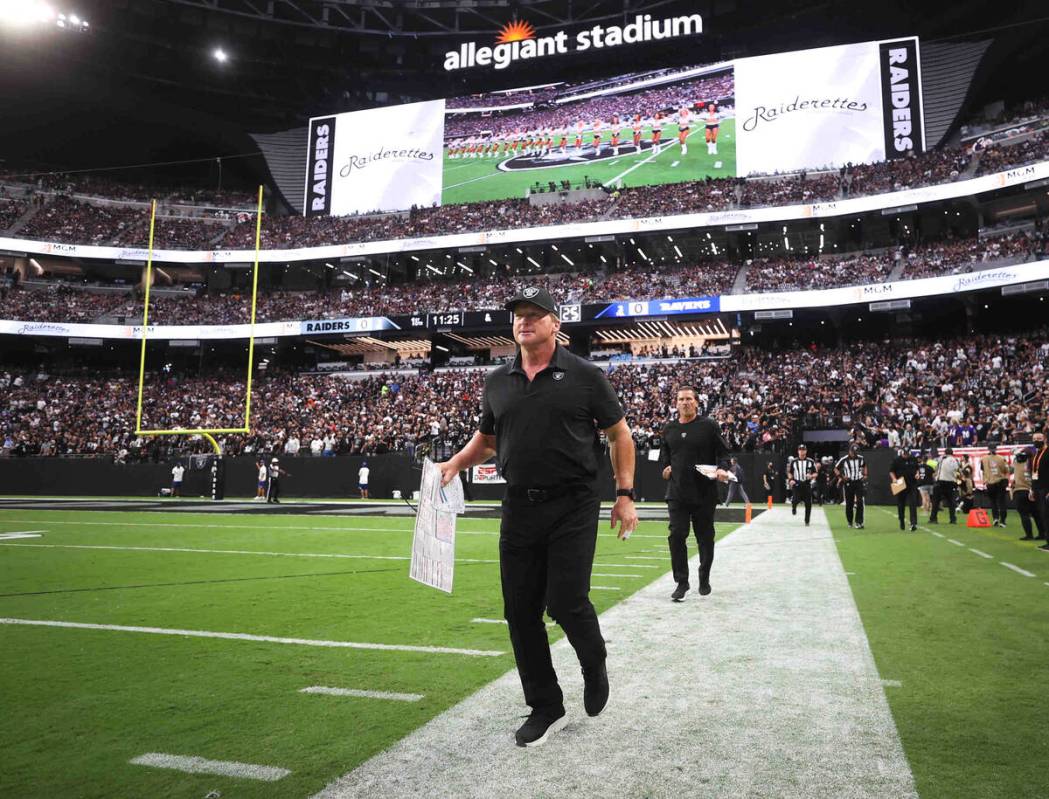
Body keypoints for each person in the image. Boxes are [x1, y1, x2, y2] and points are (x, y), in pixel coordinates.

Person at [436, 287, 638, 748]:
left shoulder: (586, 376)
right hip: (519, 506)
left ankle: (594, 660)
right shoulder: (497, 381)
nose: (524, 321)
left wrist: (624, 494)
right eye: (518, 316)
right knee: (520, 611)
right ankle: (545, 704)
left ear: (555, 324)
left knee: (566, 602)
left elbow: (618, 435)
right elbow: (487, 440)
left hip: (574, 502)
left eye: (534, 314)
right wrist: (454, 464)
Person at [659, 385, 731, 601]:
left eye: (689, 398)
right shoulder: (669, 429)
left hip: (704, 492)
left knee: (705, 537)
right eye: (681, 399)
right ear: (676, 403)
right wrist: (665, 469)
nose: (685, 402)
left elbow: (724, 453)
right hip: (677, 492)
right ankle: (681, 581)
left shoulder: (709, 425)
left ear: (696, 402)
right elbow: (665, 459)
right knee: (676, 535)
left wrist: (722, 468)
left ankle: (704, 575)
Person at [1012, 446, 1045, 541]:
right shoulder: (1035, 463)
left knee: (1024, 514)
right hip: (1033, 490)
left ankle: (1029, 534)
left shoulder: (1017, 462)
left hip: (1020, 490)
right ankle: (1042, 534)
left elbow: (1014, 452)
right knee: (1037, 514)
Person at [835, 444, 868, 529]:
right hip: (848, 482)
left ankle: (859, 522)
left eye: (855, 452)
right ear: (849, 451)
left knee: (860, 502)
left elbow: (864, 466)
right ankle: (850, 521)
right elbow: (836, 469)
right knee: (849, 503)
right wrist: (841, 477)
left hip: (858, 481)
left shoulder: (861, 458)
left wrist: (865, 474)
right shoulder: (844, 459)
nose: (854, 454)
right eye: (853, 452)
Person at [890, 448, 920, 531]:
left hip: (912, 483)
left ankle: (913, 523)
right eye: (905, 454)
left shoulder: (913, 459)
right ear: (902, 453)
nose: (906, 456)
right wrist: (894, 478)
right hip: (900, 482)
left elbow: (917, 469)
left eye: (907, 454)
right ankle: (901, 520)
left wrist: (917, 474)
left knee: (913, 502)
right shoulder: (897, 460)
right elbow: (891, 471)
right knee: (901, 504)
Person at [980, 443, 1010, 528]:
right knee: (1002, 502)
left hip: (990, 483)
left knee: (993, 502)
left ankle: (995, 518)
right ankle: (1003, 521)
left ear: (988, 449)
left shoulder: (983, 459)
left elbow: (983, 470)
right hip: (1000, 481)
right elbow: (1006, 469)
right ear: (996, 449)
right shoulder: (1001, 458)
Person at [788, 443, 817, 525]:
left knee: (808, 503)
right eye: (800, 450)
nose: (802, 452)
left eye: (803, 450)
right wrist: (791, 480)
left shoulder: (810, 461)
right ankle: (794, 507)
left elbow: (816, 473)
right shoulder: (794, 461)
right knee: (795, 499)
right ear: (798, 451)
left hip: (807, 484)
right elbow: (790, 472)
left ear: (806, 451)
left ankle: (807, 521)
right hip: (797, 483)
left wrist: (811, 476)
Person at [1030, 431, 1049, 550]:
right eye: (1035, 438)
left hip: (1046, 489)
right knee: (1043, 515)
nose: (1037, 440)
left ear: (1045, 439)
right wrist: (1032, 489)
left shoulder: (1047, 453)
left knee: (1047, 515)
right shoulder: (1037, 454)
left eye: (1039, 438)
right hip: (1038, 488)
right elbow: (1034, 473)